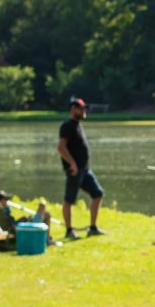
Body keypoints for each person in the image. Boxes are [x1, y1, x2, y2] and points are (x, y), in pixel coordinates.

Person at [57, 97, 104, 239]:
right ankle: (69, 231)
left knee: (98, 193)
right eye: (81, 108)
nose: (84, 111)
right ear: (73, 110)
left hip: (85, 169)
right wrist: (72, 163)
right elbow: (61, 147)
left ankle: (93, 228)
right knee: (69, 200)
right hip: (75, 170)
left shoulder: (77, 124)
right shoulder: (67, 126)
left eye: (84, 108)